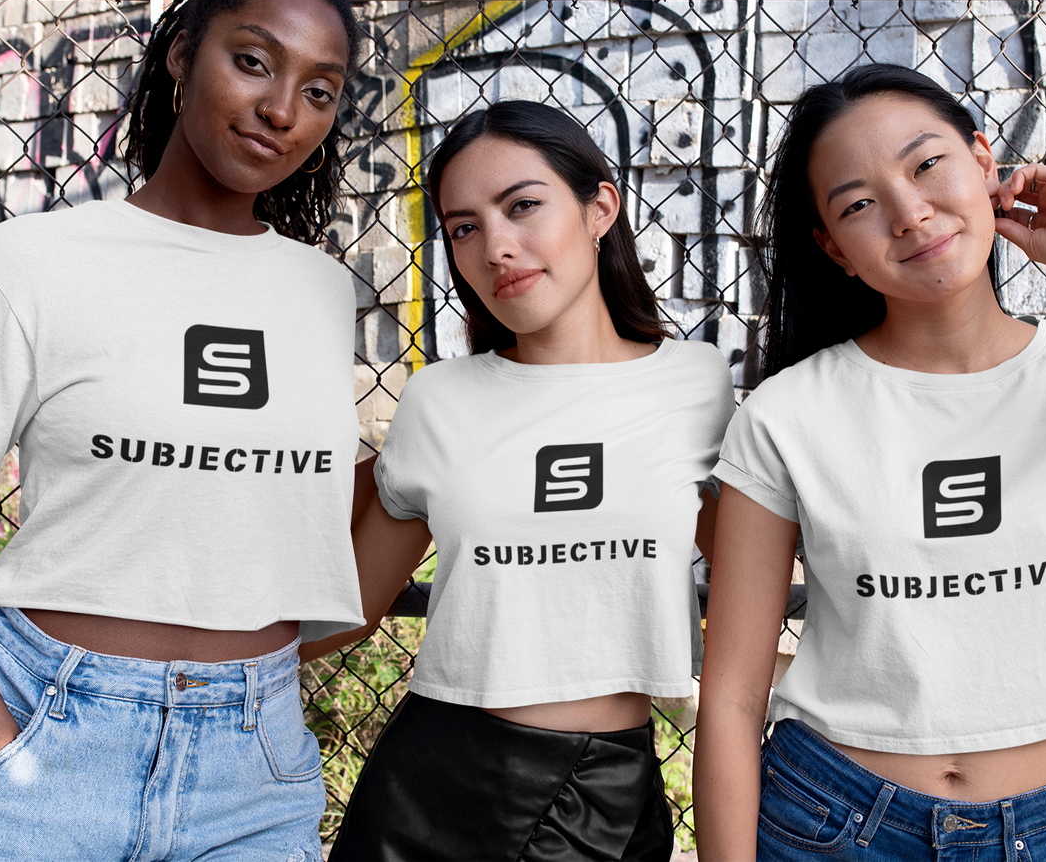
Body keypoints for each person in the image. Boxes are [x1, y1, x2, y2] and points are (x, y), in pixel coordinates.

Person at [0, 0, 366, 861]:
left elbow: (290, 535)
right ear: (183, 54)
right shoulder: (29, 266)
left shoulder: (323, 292)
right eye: (252, 61)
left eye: (318, 91)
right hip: (37, 736)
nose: (282, 110)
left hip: (251, 772)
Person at [693, 63, 1046, 861]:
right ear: (833, 248)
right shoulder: (788, 413)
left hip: (1035, 831)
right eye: (858, 204)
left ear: (982, 161)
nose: (909, 213)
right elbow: (731, 698)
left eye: (927, 164)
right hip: (832, 820)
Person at [305, 100, 735, 860]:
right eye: (464, 228)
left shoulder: (697, 386)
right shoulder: (440, 400)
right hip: (429, 793)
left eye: (523, 206)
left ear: (600, 208)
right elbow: (350, 611)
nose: (496, 247)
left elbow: (755, 573)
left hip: (605, 789)